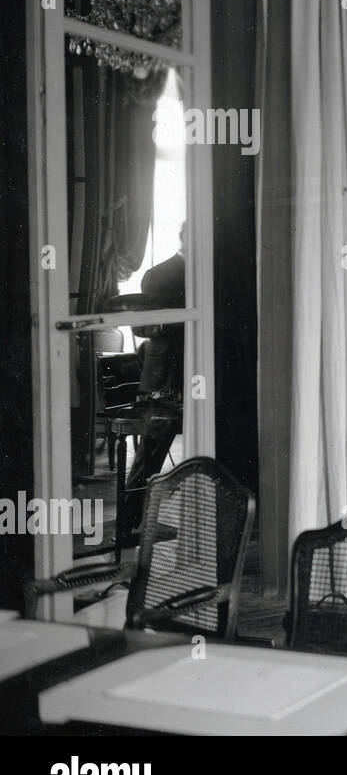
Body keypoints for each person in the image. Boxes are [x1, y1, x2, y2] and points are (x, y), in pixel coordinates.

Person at [119, 223, 188, 545]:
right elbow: (142, 329)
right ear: (185, 237)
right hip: (166, 378)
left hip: (194, 373)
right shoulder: (160, 274)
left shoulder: (212, 273)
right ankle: (130, 524)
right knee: (151, 455)